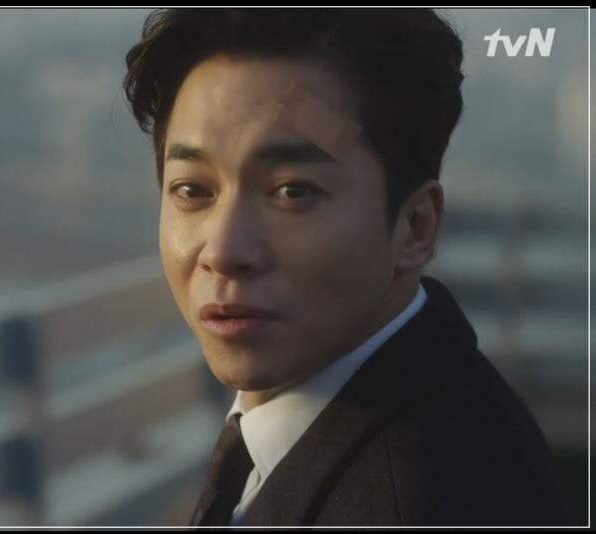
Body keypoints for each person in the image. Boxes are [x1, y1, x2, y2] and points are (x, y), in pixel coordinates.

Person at [122, 8, 576, 526]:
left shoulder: (414, 502)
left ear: (415, 226)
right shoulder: (431, 412)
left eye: (293, 191)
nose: (223, 251)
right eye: (191, 190)